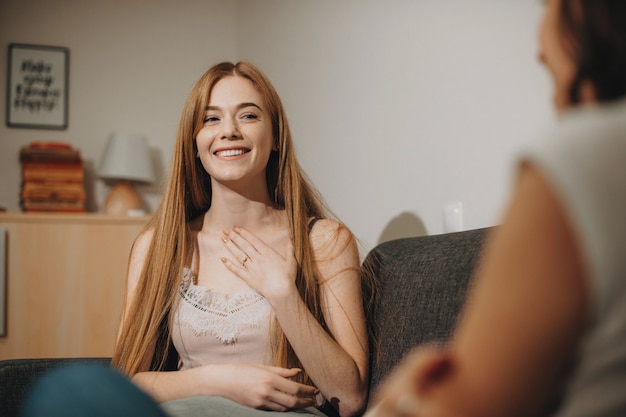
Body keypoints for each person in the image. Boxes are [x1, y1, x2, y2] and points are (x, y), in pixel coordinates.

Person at [365, 0, 626, 416]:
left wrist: (393, 403)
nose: (539, 47)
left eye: (547, 5)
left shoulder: (583, 156)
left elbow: (461, 408)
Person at [108, 61, 370, 417]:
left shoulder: (324, 241)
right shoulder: (157, 246)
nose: (228, 131)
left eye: (248, 116)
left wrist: (282, 293)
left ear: (276, 137)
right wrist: (221, 380)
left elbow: (350, 397)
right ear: (195, 144)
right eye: (211, 118)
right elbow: (121, 384)